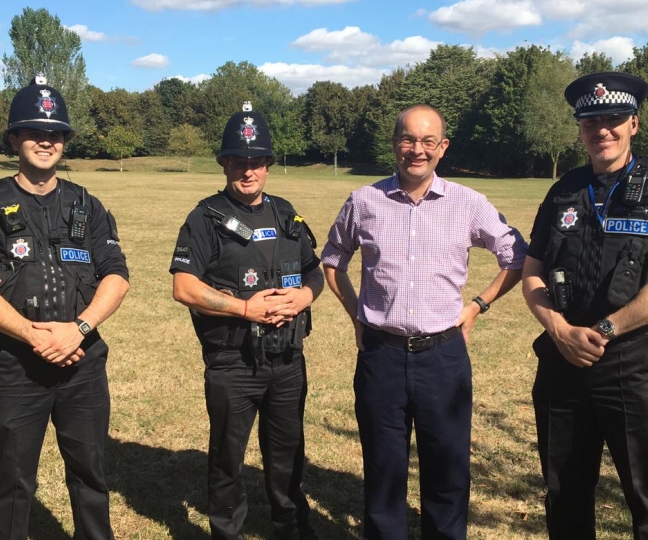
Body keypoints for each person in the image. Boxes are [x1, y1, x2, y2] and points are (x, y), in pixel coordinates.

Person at [321, 104, 528, 540]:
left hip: (444, 358)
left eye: (428, 141)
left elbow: (517, 257)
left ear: (443, 147)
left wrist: (478, 304)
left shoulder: (469, 204)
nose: (418, 150)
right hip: (381, 356)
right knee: (382, 471)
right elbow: (333, 261)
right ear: (395, 143)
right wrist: (356, 314)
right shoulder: (363, 201)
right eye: (409, 139)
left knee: (448, 472)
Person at [522, 72, 648, 539]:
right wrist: (558, 329)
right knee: (564, 497)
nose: (602, 129)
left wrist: (604, 328)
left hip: (633, 364)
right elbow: (532, 271)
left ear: (634, 124)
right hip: (563, 360)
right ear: (580, 129)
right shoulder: (565, 189)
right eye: (590, 121)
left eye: (614, 119)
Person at [0, 75, 130, 540]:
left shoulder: (86, 204)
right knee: (11, 483)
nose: (45, 141)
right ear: (14, 139)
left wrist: (78, 329)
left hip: (83, 363)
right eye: (34, 132)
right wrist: (35, 336)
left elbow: (116, 274)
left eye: (54, 133)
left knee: (91, 475)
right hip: (16, 367)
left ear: (64, 141)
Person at [169, 102, 324, 540]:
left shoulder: (285, 212)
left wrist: (304, 295)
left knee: (288, 457)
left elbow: (314, 269)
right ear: (225, 164)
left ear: (269, 165)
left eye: (257, 162)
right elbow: (184, 286)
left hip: (289, 360)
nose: (248, 171)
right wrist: (243, 308)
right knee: (227, 461)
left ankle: (291, 529)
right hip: (233, 362)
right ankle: (227, 532)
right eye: (239, 161)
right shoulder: (205, 218)